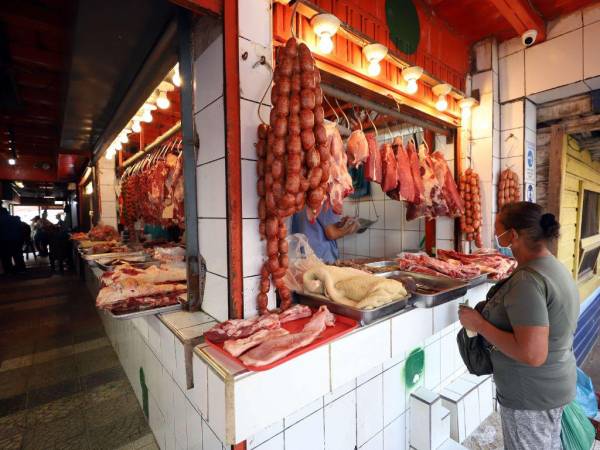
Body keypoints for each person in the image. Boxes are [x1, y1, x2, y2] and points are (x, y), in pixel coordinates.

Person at [458, 202, 578, 450]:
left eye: (498, 231)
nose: (497, 238)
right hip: (552, 387)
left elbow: (532, 354)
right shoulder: (553, 266)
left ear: (512, 235)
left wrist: (479, 324)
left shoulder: (527, 281)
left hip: (530, 396)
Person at [291, 206, 360, 263]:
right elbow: (332, 233)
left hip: (302, 255)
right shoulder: (324, 196)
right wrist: (352, 227)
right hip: (320, 256)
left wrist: (341, 223)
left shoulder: (301, 195)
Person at [0, 208, 25, 273]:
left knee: (6, 257)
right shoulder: (16, 219)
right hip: (16, 240)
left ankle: (9, 271)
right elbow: (22, 229)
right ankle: (21, 270)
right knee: (18, 256)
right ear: (8, 212)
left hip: (4, 241)